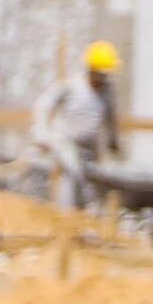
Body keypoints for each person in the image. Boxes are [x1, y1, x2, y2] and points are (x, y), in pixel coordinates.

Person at [32, 39, 123, 206]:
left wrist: (114, 143)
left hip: (89, 146)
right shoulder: (73, 86)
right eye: (101, 73)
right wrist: (42, 131)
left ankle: (84, 214)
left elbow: (111, 118)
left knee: (93, 182)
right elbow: (44, 104)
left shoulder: (107, 92)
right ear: (92, 69)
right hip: (65, 140)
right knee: (73, 172)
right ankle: (66, 214)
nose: (103, 78)